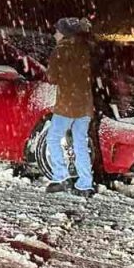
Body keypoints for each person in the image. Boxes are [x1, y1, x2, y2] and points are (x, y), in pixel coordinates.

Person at [45, 17, 96, 197]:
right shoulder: (85, 49)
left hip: (67, 104)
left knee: (53, 138)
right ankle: (85, 184)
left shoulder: (60, 50)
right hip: (85, 104)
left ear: (64, 33)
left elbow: (51, 78)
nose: (54, 34)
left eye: (57, 31)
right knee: (80, 142)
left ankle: (61, 177)